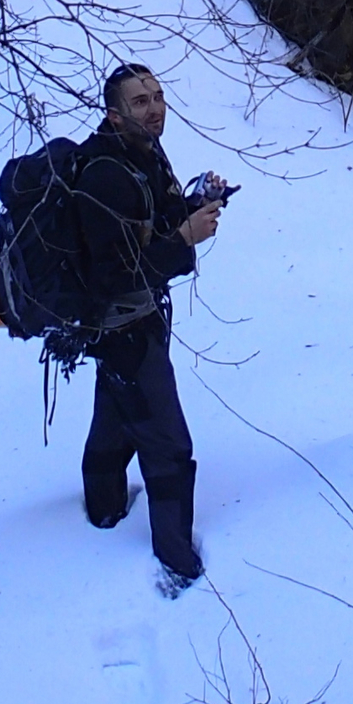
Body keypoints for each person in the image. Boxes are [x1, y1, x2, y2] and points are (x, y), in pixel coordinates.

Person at [73, 63, 225, 590]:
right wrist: (185, 238)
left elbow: (152, 227)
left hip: (139, 317)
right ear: (114, 115)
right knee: (167, 444)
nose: (154, 108)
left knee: (117, 416)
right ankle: (179, 560)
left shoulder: (143, 154)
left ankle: (103, 507)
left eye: (158, 96)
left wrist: (196, 204)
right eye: (140, 101)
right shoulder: (104, 175)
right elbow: (115, 274)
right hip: (120, 324)